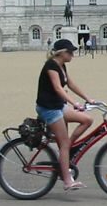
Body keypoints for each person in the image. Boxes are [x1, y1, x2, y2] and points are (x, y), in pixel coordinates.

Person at [36, 38, 94, 192]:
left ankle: (67, 148)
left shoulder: (62, 66)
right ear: (62, 53)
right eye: (70, 52)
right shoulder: (51, 66)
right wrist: (74, 103)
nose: (72, 55)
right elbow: (57, 88)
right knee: (64, 144)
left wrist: (88, 99)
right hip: (49, 108)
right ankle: (67, 180)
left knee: (87, 119)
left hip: (58, 106)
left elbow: (70, 84)